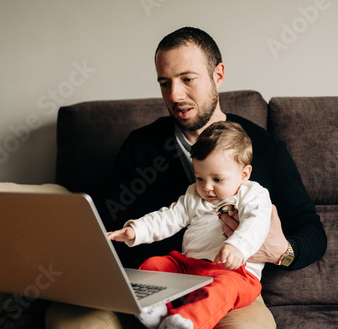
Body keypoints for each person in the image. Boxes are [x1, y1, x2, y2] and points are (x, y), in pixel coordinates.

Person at [46, 27, 327, 329]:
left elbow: (312, 232)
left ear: (218, 75)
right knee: (69, 322)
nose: (175, 95)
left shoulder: (263, 148)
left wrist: (281, 252)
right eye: (165, 83)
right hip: (151, 281)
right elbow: (107, 220)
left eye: (187, 79)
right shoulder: (140, 146)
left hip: (225, 280)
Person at [108, 121, 272, 329]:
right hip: (188, 267)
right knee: (154, 265)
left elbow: (256, 222)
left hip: (233, 272)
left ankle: (187, 322)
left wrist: (237, 246)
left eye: (217, 179)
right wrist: (136, 230)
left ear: (244, 174)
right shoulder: (194, 194)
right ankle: (155, 312)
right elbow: (169, 217)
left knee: (222, 288)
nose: (207, 187)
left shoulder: (252, 195)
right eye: (200, 178)